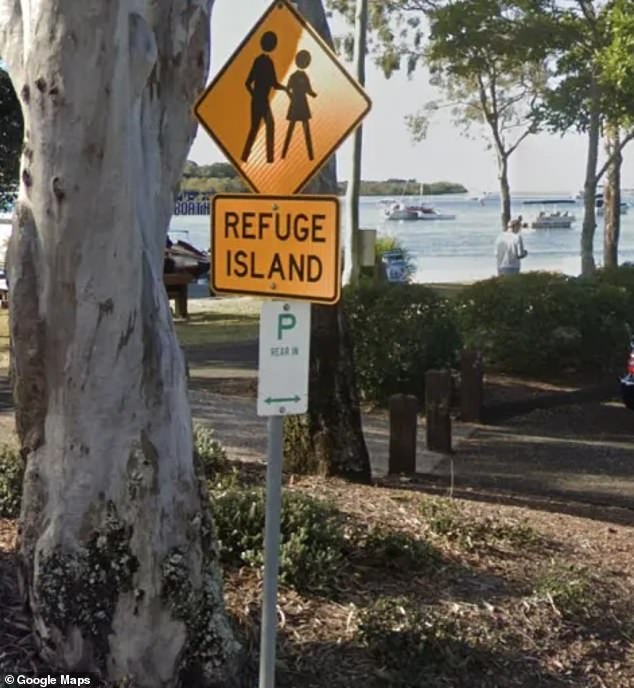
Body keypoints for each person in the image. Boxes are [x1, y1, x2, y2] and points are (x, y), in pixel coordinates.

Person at [241, 31, 287, 164]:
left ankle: (269, 158)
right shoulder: (259, 61)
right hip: (257, 100)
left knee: (269, 125)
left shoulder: (269, 62)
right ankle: (246, 156)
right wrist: (254, 96)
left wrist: (286, 89)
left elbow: (274, 84)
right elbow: (247, 83)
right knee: (255, 128)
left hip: (264, 100)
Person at [281, 50, 317, 160]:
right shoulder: (293, 76)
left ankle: (311, 156)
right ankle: (283, 154)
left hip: (303, 104)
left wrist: (314, 94)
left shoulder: (305, 76)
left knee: (307, 131)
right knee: (290, 129)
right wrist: (292, 98)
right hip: (295, 105)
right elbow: (287, 89)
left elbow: (309, 90)